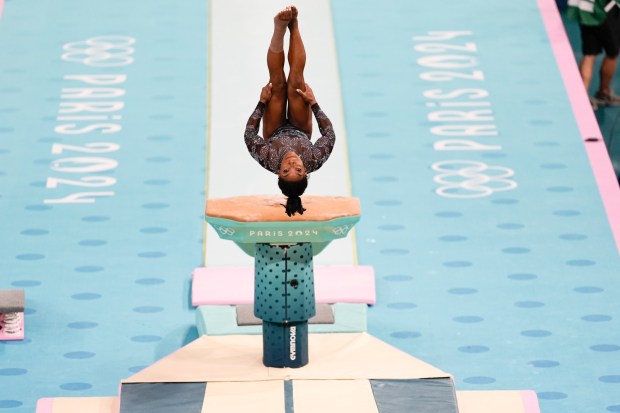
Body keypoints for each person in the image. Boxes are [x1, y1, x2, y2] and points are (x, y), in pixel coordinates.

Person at [244, 6, 336, 216]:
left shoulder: (268, 159)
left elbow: (249, 135)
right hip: (300, 127)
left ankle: (278, 29)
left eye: (286, 171)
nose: (293, 164)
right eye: (299, 170)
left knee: (276, 84)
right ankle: (294, 25)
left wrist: (261, 103)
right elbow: (329, 135)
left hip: (274, 129)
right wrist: (314, 103)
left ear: (278, 173)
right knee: (296, 82)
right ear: (307, 171)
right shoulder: (314, 159)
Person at [568, 0, 620, 108]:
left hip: (585, 12)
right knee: (612, 53)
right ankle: (604, 93)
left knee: (589, 54)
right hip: (605, 11)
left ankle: (581, 100)